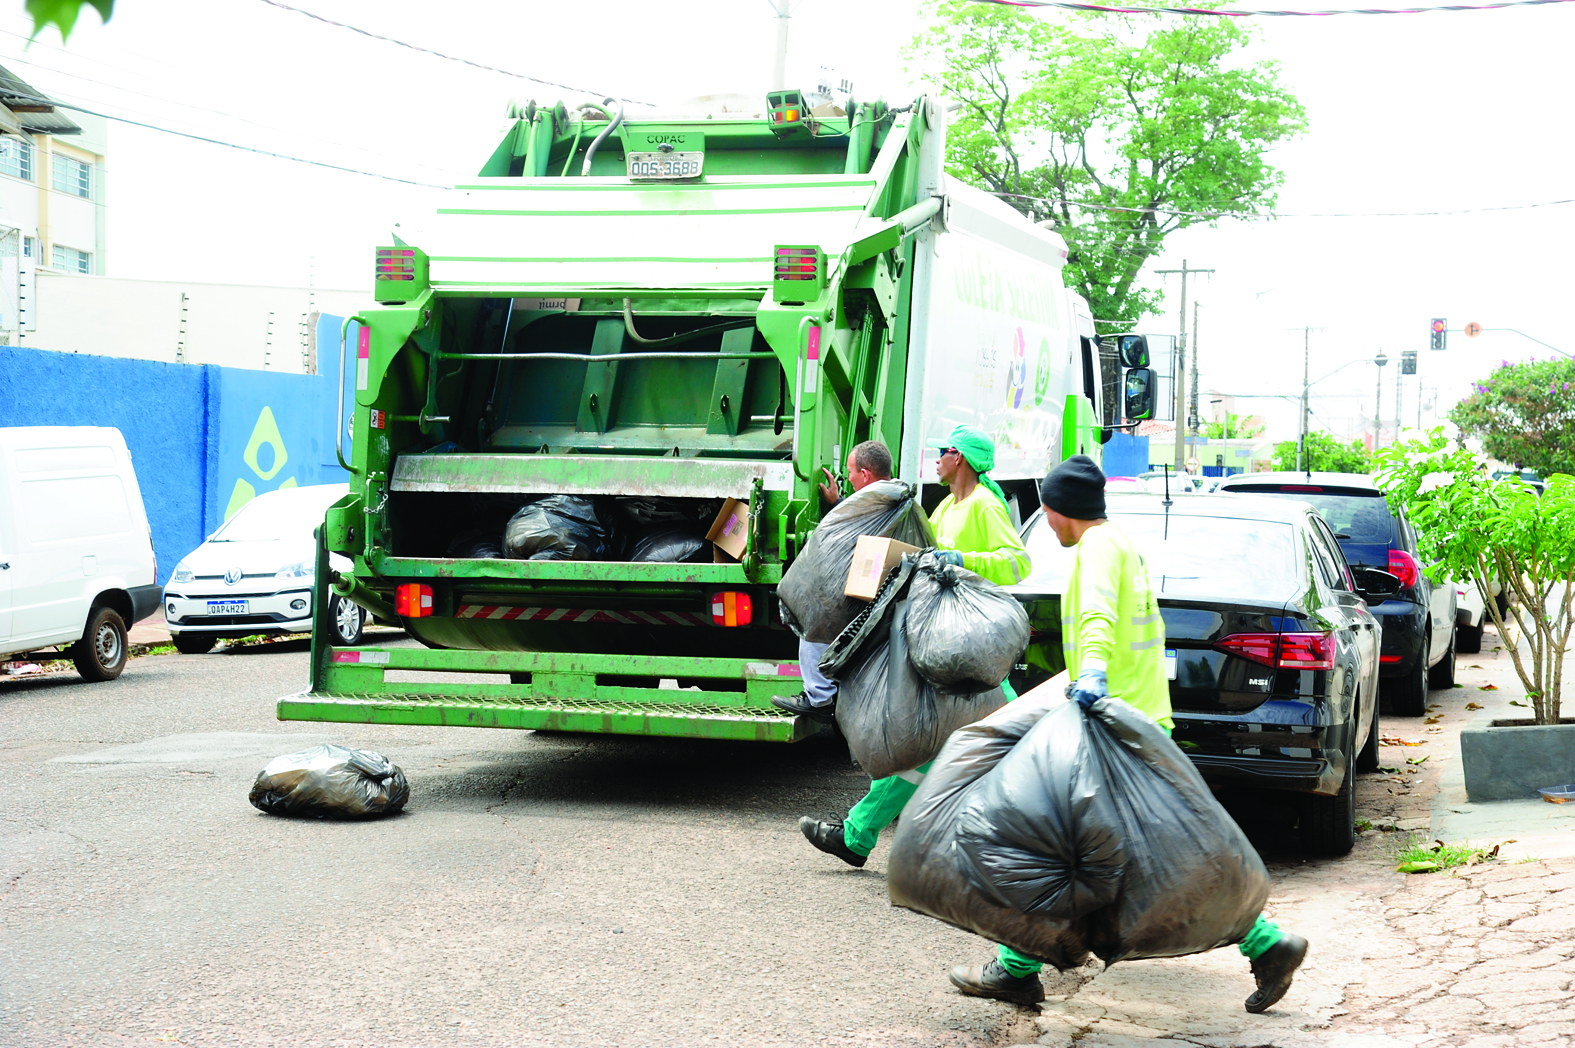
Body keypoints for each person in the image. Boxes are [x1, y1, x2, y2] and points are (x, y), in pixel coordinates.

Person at [948, 454, 1309, 1015]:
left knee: (1057, 846)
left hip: (1114, 725)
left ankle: (1016, 969)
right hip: (1139, 720)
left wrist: (1090, 672)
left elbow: (1096, 616)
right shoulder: (1121, 543)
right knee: (1149, 853)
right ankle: (1267, 943)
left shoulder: (1094, 550)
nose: (1045, 520)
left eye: (1046, 510)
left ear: (1059, 510)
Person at [799, 424, 1030, 867]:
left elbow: (1017, 562)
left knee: (997, 732)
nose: (937, 460)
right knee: (931, 738)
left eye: (943, 452)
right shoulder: (945, 507)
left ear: (959, 457)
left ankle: (1027, 837)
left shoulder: (984, 506)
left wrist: (964, 561)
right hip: (945, 640)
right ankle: (859, 834)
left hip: (972, 643)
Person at [772, 440, 894, 722]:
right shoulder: (893, 498)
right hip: (882, 597)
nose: (848, 479)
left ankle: (820, 698)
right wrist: (838, 503)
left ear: (865, 475)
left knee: (813, 616)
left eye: (851, 473)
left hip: (866, 598)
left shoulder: (876, 502)